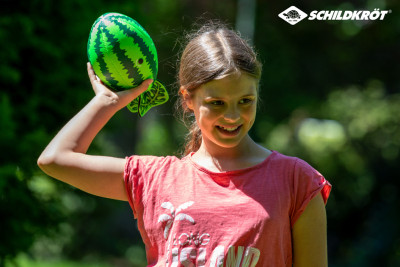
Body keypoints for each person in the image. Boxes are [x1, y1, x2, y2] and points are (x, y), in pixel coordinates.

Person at [38, 23, 331, 267]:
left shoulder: (298, 182)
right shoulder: (154, 178)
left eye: (245, 101)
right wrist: (107, 101)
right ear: (188, 99)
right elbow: (54, 159)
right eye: (216, 103)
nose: (232, 115)